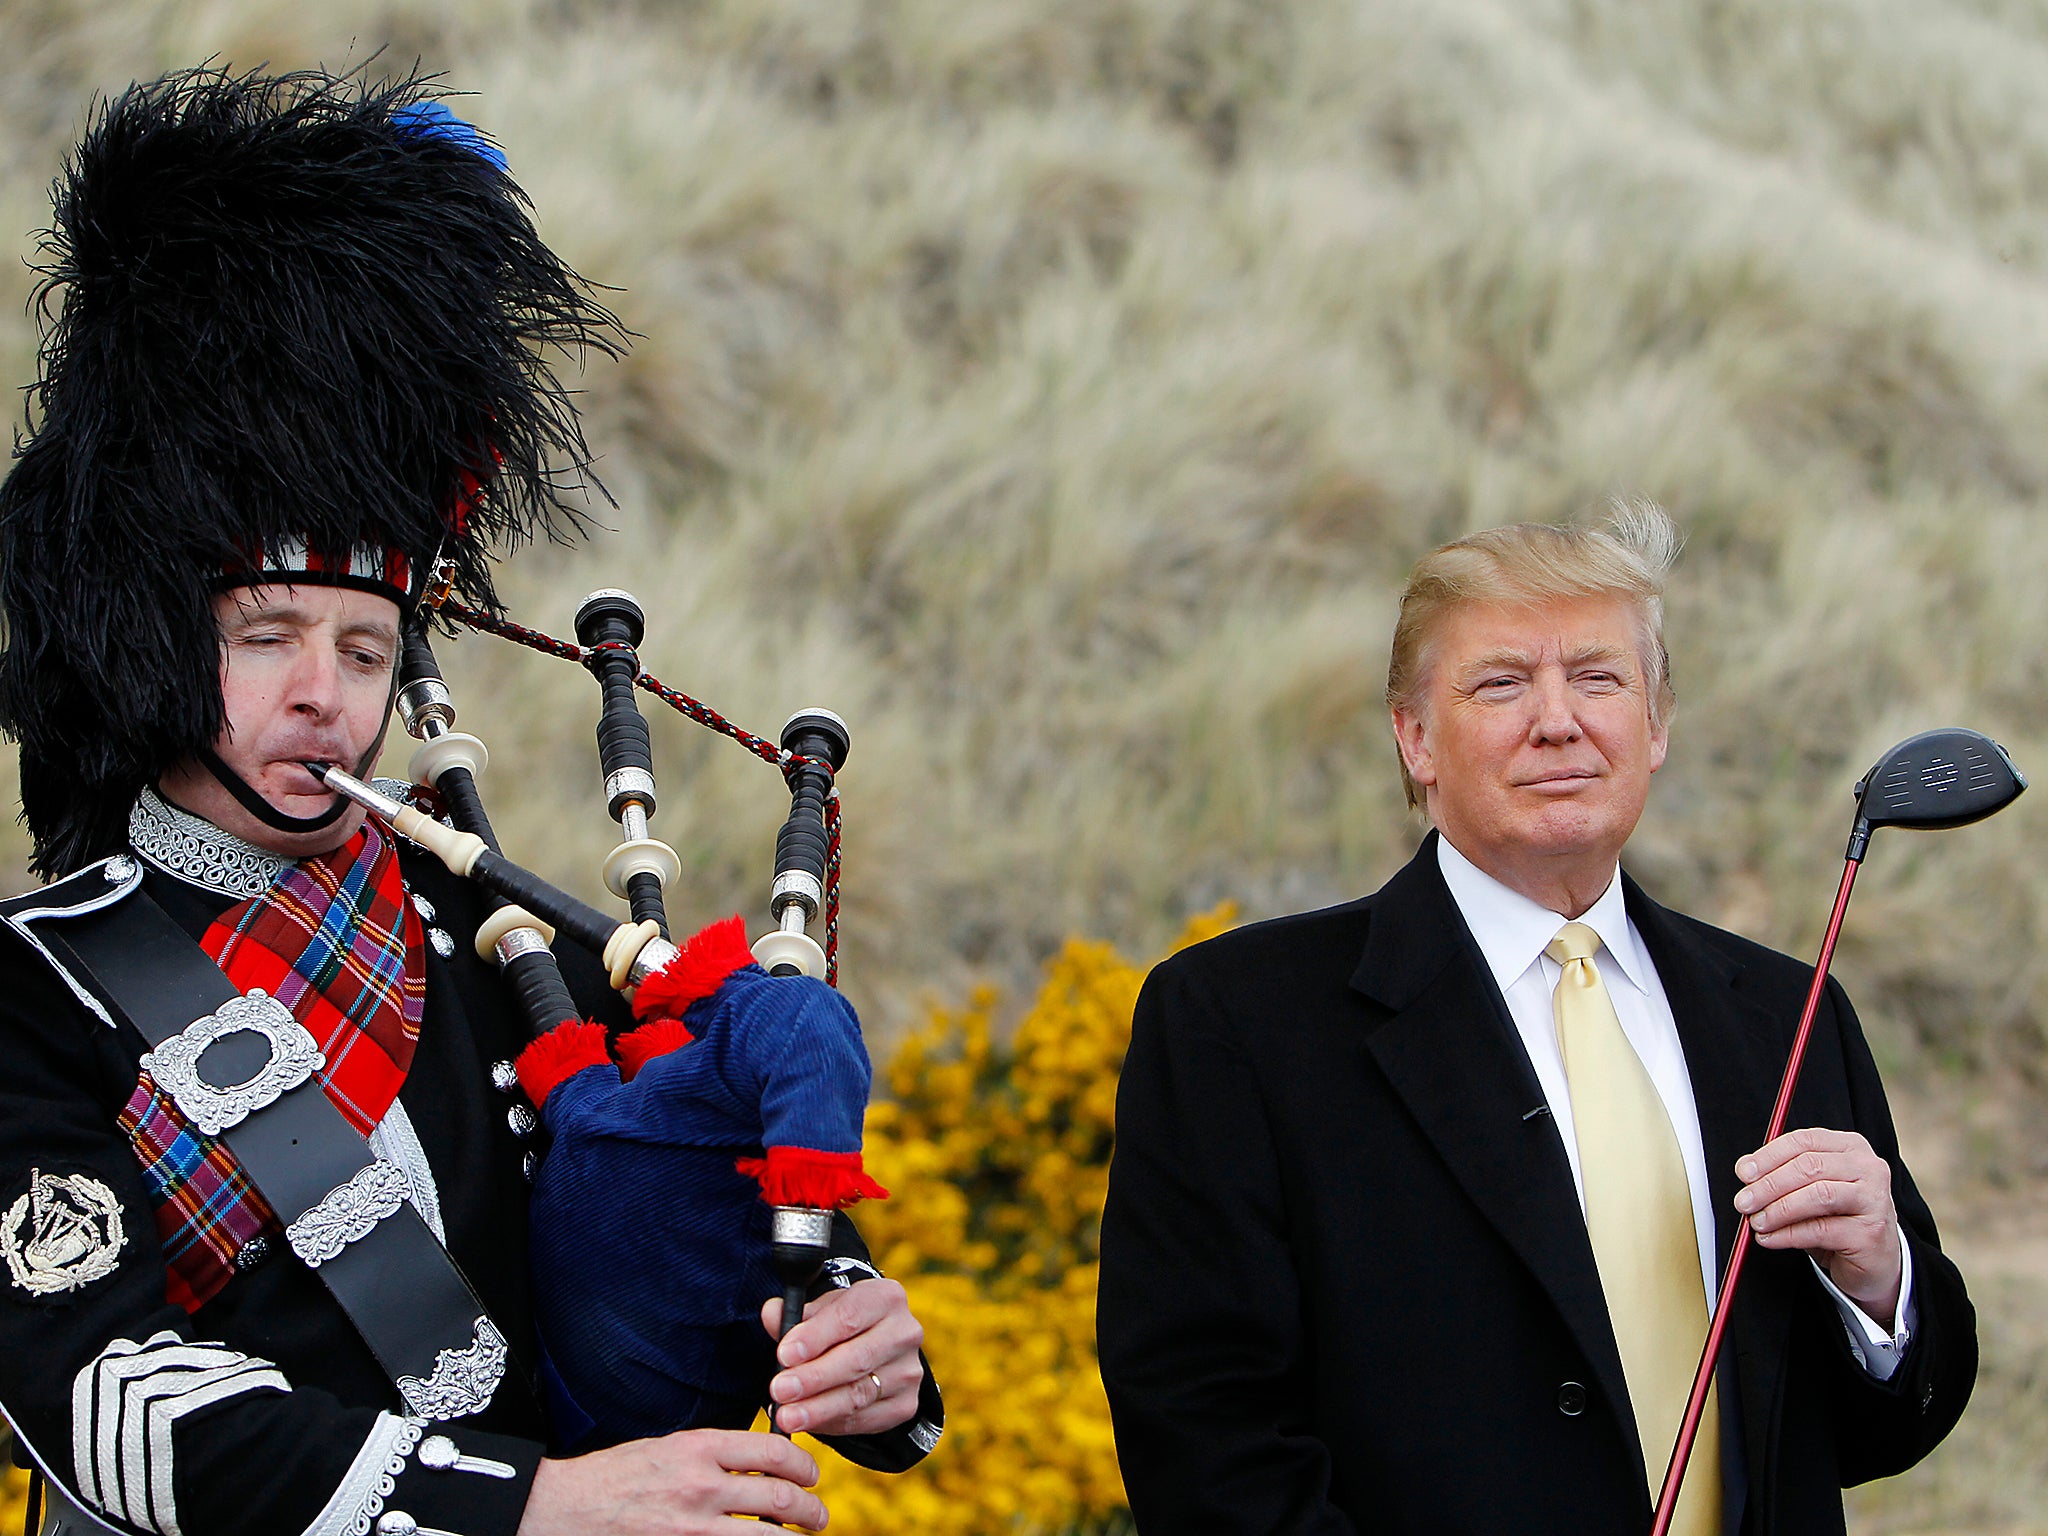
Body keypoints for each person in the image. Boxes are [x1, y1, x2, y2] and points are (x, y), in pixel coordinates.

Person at [0, 66, 937, 1536]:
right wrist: (531, 1503)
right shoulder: (32, 989)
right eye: (268, 638)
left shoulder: (499, 940)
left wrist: (870, 1349)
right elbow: (100, 1405)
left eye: (365, 648)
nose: (328, 693)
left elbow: (702, 1212)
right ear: (150, 638)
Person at [1098, 507, 1975, 1536]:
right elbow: (1202, 1440)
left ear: (1654, 728)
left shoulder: (1788, 1011)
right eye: (1500, 683)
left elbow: (1878, 1433)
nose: (1556, 720)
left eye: (1598, 679)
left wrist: (1877, 1282)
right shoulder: (1235, 1021)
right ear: (1414, 737)